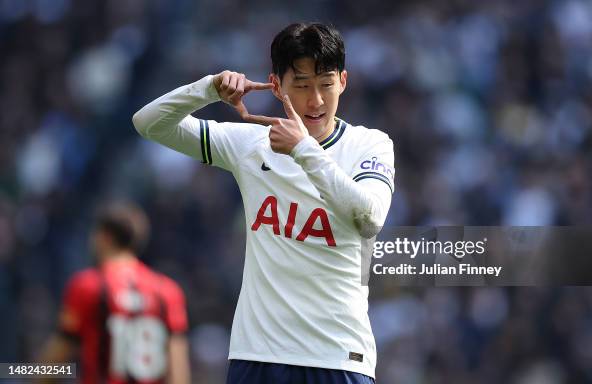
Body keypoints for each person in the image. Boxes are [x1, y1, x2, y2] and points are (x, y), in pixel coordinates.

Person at [132, 22, 395, 384]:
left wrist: (304, 150)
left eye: (326, 85)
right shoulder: (251, 145)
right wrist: (208, 89)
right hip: (258, 355)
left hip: (338, 355)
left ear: (344, 82)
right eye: (301, 85)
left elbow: (371, 218)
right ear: (276, 86)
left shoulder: (370, 145)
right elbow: (148, 123)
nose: (315, 100)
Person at [39, 203, 190, 384]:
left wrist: (22, 373)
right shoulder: (167, 291)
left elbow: (56, 359)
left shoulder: (87, 286)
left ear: (104, 237)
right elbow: (178, 372)